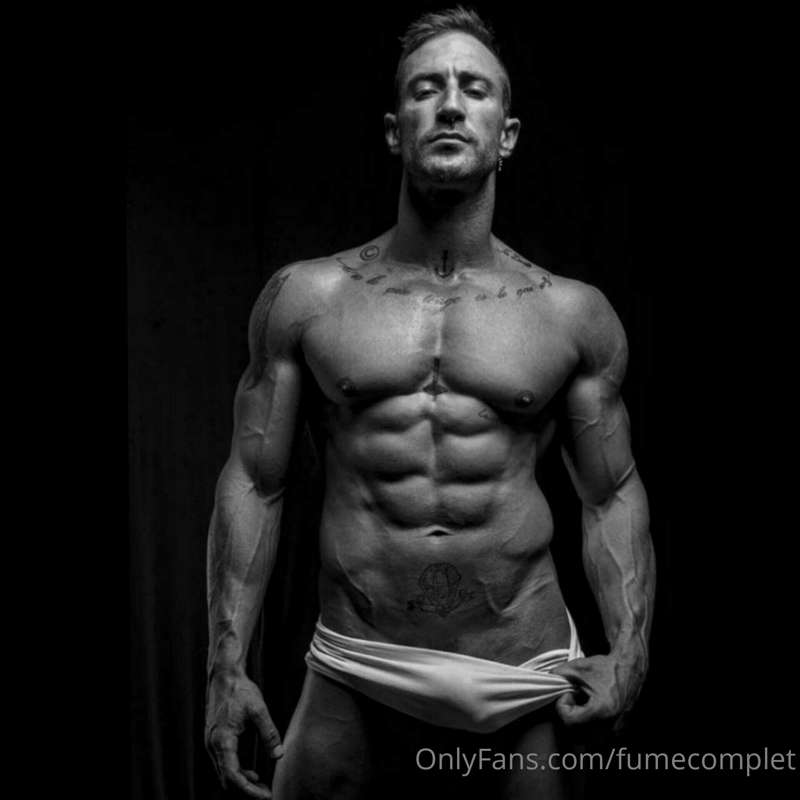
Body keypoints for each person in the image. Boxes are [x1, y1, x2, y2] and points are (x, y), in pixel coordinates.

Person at [204, 7, 655, 799]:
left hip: (523, 672)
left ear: (506, 134)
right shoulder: (308, 297)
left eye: (473, 89)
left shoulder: (571, 314)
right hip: (356, 664)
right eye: (425, 89)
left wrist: (631, 651)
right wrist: (224, 668)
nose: (449, 104)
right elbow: (254, 481)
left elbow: (610, 493)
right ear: (394, 130)